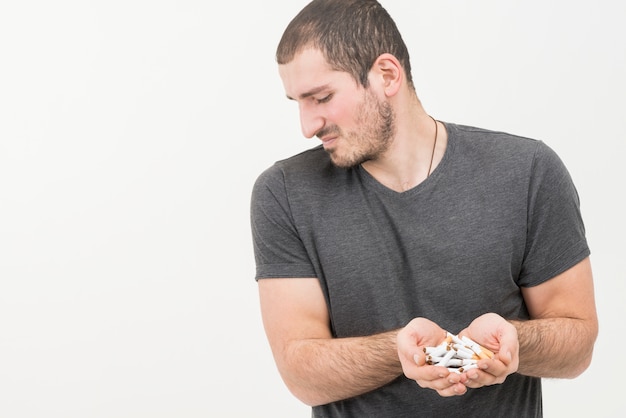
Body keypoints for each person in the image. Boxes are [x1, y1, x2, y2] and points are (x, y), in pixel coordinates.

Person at [250, 0, 598, 416]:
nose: (307, 126)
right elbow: (300, 372)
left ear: (386, 75)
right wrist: (400, 351)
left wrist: (513, 341)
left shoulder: (527, 172)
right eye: (298, 102)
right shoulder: (285, 193)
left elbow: (578, 344)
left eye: (321, 97)